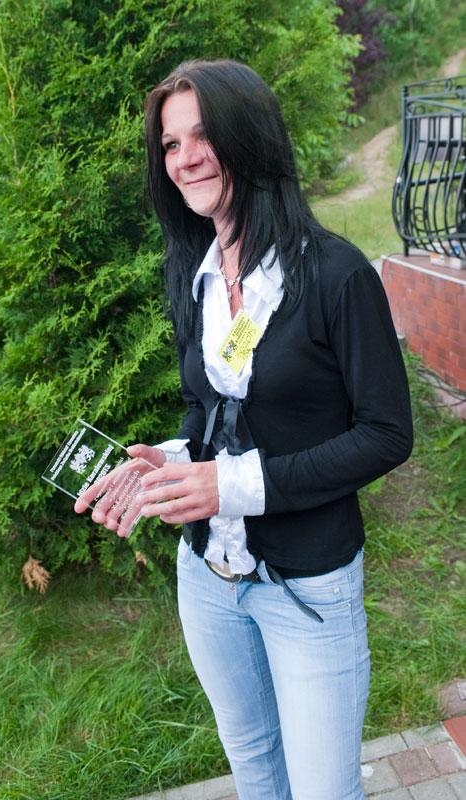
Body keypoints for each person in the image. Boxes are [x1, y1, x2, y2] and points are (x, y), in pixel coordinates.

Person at [75, 59, 413, 800]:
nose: (185, 158)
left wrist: (227, 485)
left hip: (307, 591)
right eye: (170, 144)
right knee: (257, 772)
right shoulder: (193, 271)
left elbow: (387, 433)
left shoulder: (336, 275)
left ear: (251, 137)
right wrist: (171, 461)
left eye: (203, 136)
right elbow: (209, 405)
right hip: (208, 580)